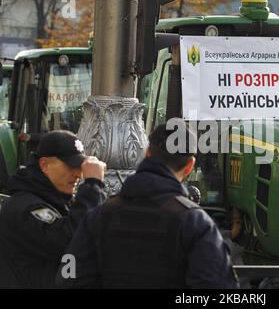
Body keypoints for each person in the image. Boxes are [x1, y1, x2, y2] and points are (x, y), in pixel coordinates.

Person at [58, 122, 239, 289]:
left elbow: (69, 278)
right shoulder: (195, 222)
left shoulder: (99, 216)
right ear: (189, 166)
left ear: (148, 153)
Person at [0, 130, 107, 288]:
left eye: (80, 167)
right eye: (70, 166)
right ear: (44, 165)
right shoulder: (25, 207)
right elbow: (71, 243)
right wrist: (92, 186)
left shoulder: (55, 200)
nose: (78, 174)